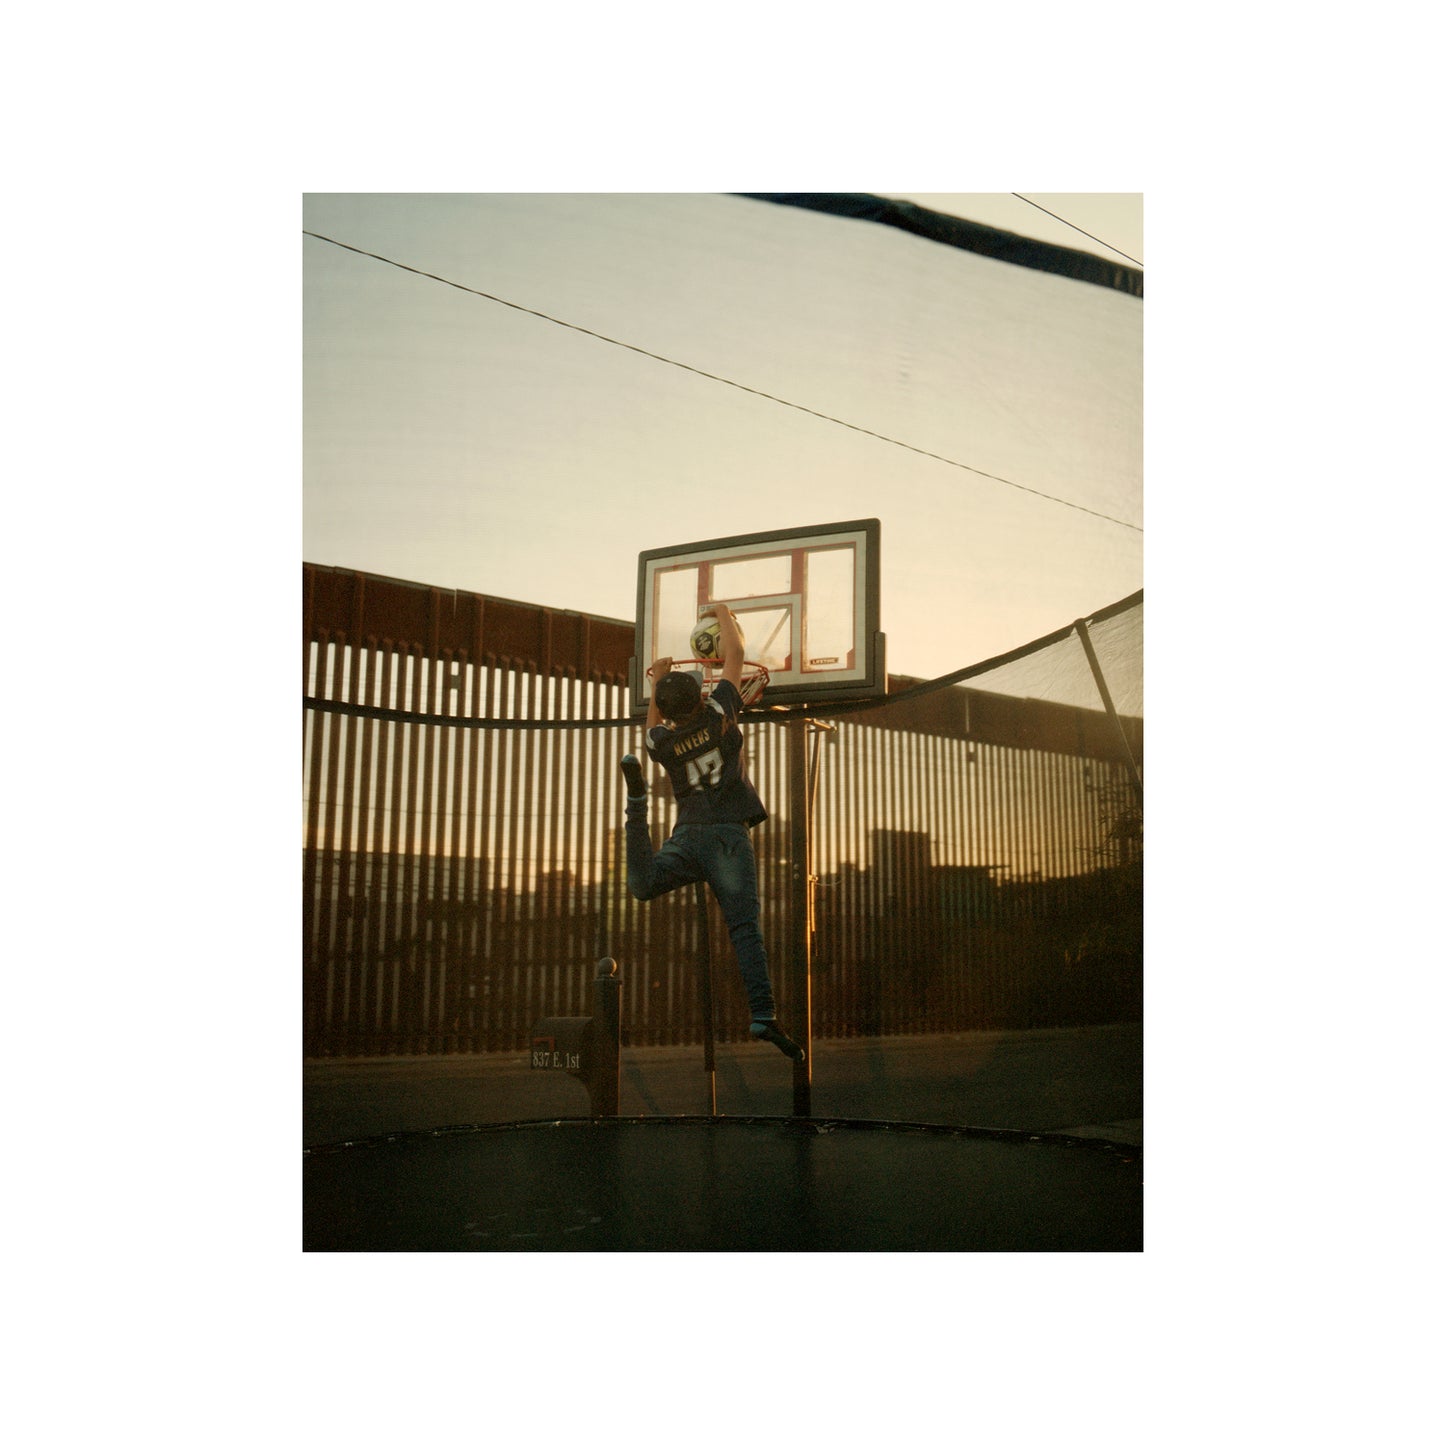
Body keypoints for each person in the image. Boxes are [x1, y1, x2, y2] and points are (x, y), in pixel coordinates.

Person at [620, 604, 805, 1063]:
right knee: (744, 929)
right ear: (701, 699)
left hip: (687, 837)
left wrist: (656, 683)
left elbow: (652, 728)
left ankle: (637, 803)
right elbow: (736, 651)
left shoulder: (662, 744)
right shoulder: (721, 711)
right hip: (727, 838)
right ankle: (762, 1013)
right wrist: (722, 611)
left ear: (668, 711)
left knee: (642, 885)